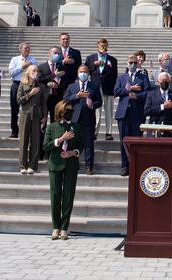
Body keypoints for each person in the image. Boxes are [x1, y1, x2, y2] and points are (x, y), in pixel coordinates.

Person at [43, 100, 82, 240]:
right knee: (55, 195)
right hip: (55, 164)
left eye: (72, 110)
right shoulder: (52, 127)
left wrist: (73, 153)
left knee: (68, 196)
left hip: (71, 164)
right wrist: (60, 139)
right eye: (67, 110)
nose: (70, 113)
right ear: (60, 111)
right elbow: (45, 146)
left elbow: (82, 145)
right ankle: (55, 227)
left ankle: (65, 227)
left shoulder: (76, 127)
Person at [114, 54, 150, 176]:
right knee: (123, 140)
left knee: (136, 139)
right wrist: (128, 90)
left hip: (137, 113)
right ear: (127, 64)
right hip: (123, 113)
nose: (133, 65)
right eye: (131, 63)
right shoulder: (121, 77)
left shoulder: (143, 77)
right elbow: (115, 91)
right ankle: (125, 166)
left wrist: (137, 96)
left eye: (135, 63)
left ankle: (135, 164)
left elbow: (147, 93)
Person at [63, 65, 102, 175]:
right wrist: (76, 96)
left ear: (88, 74)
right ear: (77, 73)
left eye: (85, 72)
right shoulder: (72, 86)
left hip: (88, 119)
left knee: (89, 144)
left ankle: (89, 166)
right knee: (72, 142)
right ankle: (72, 164)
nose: (83, 73)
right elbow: (65, 99)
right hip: (74, 119)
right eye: (81, 71)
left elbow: (99, 102)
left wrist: (92, 105)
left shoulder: (94, 86)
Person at [85, 38, 118, 141]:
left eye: (105, 45)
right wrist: (94, 65)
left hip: (108, 88)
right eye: (101, 45)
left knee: (109, 111)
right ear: (97, 46)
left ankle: (108, 132)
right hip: (95, 87)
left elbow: (115, 75)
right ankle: (95, 132)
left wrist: (115, 89)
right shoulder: (91, 58)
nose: (103, 47)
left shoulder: (112, 60)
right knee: (96, 110)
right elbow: (84, 70)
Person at [16, 65, 47, 175]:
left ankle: (32, 165)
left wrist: (45, 116)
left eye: (37, 71)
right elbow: (19, 100)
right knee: (24, 140)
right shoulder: (22, 84)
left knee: (35, 140)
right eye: (33, 70)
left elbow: (44, 103)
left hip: (37, 115)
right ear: (28, 72)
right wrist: (30, 94)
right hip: (25, 114)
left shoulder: (41, 86)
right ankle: (22, 165)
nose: (36, 72)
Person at [8, 42, 38, 139]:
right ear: (20, 49)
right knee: (14, 109)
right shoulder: (15, 59)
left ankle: (27, 131)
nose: (27, 50)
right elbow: (11, 73)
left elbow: (37, 73)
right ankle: (14, 131)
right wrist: (23, 67)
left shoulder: (33, 60)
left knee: (28, 108)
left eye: (29, 48)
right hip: (17, 84)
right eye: (25, 48)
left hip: (29, 85)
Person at [143, 72, 172, 136]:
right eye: (162, 80)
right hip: (155, 130)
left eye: (166, 80)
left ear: (169, 81)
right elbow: (146, 111)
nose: (164, 82)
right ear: (158, 82)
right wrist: (162, 106)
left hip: (170, 132)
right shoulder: (151, 94)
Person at [38, 47, 65, 123]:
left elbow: (65, 82)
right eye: (55, 53)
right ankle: (42, 135)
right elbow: (39, 80)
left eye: (58, 53)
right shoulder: (41, 67)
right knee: (42, 121)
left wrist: (58, 86)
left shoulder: (61, 67)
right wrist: (53, 76)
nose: (57, 55)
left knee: (55, 121)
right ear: (49, 54)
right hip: (44, 98)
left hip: (56, 97)